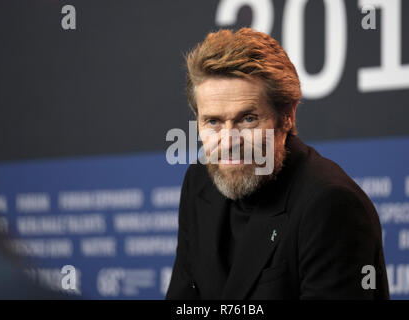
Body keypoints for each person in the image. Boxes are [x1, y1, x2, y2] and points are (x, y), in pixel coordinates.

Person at [166, 28, 390, 300]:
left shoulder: (330, 204)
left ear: (287, 116)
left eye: (247, 119)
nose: (228, 142)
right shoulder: (199, 182)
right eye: (213, 122)